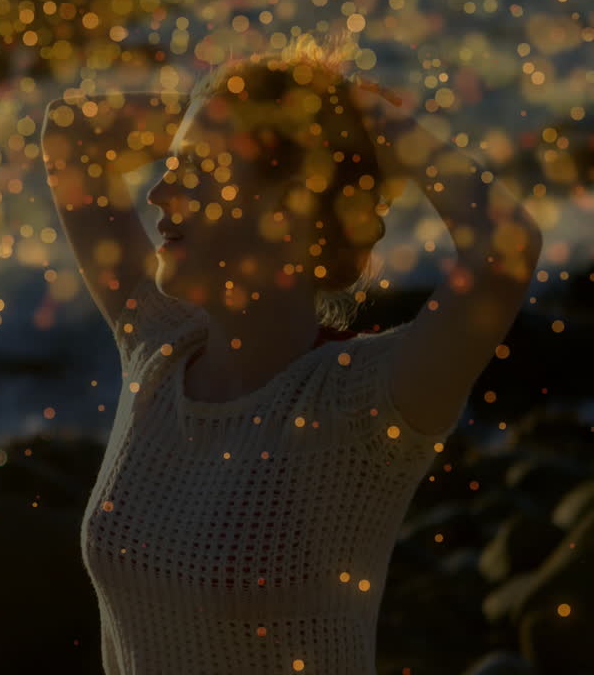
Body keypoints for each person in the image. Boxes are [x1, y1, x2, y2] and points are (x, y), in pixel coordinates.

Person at [40, 36, 542, 674]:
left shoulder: (365, 405)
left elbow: (506, 249)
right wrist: (229, 109)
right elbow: (71, 132)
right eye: (169, 168)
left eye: (195, 171)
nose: (160, 194)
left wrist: (368, 121)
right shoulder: (158, 346)